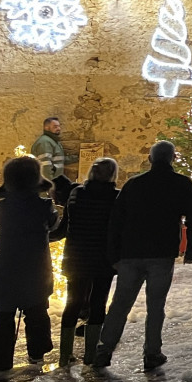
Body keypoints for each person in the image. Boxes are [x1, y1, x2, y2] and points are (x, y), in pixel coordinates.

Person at [92, 140, 192, 371]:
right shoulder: (181, 184)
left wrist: (113, 254)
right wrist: (191, 250)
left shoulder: (134, 184)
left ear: (150, 159)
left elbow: (116, 220)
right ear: (173, 158)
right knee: (156, 305)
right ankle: (152, 352)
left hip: (131, 252)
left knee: (120, 303)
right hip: (161, 253)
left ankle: (104, 349)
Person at [0, 155, 59, 370]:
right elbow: (53, 225)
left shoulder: (2, 207)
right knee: (37, 312)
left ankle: (0, 359)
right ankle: (37, 353)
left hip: (6, 267)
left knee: (4, 315)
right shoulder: (44, 206)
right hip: (36, 268)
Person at [55, 157, 119, 367]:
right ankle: (90, 354)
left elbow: (66, 226)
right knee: (98, 303)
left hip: (76, 255)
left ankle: (65, 355)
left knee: (72, 302)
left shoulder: (76, 194)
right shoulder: (116, 197)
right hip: (102, 257)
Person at [32, 116, 74, 207]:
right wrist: (49, 186)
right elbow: (45, 165)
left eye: (59, 126)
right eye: (55, 127)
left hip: (56, 181)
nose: (58, 128)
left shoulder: (53, 141)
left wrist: (77, 158)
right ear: (46, 127)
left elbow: (59, 160)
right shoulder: (45, 142)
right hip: (50, 182)